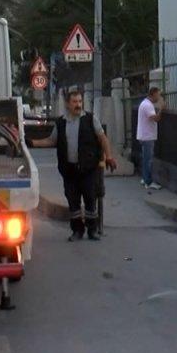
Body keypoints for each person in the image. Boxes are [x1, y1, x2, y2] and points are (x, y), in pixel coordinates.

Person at [32, 90, 118, 241]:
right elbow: (52, 141)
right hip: (69, 169)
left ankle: (92, 230)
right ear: (67, 104)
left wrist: (109, 156)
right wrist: (32, 142)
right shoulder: (61, 122)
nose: (78, 105)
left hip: (88, 168)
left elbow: (103, 138)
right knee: (73, 201)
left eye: (80, 101)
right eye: (75, 102)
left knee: (90, 199)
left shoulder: (90, 119)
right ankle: (77, 230)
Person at [137, 87, 164, 190]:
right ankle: (148, 181)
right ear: (153, 94)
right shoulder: (148, 105)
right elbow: (155, 119)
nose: (159, 97)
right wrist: (161, 109)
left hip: (144, 135)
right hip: (147, 136)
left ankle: (145, 178)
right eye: (158, 94)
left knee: (146, 158)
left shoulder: (145, 103)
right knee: (148, 160)